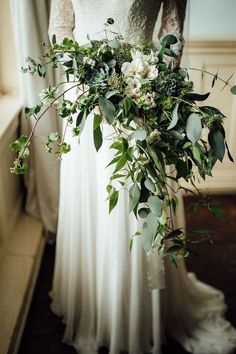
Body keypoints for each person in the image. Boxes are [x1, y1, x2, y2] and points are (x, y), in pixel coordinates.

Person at [48, 0, 236, 353]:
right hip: (88, 106)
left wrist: (145, 84)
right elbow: (60, 27)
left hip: (141, 101)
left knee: (133, 210)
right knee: (94, 200)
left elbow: (172, 32)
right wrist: (86, 75)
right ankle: (94, 303)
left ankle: (136, 314)